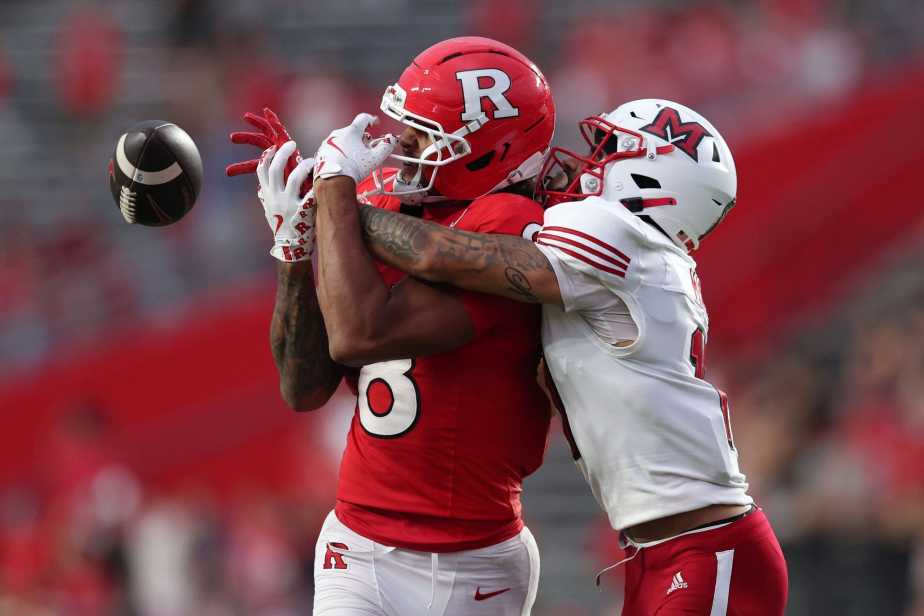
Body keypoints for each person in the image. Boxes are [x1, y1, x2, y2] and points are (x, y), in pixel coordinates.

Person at [315, 99, 789, 615]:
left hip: (704, 549)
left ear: (656, 180)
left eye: (609, 151)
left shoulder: (619, 235)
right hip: (669, 549)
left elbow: (441, 255)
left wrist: (335, 199)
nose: (587, 164)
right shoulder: (649, 261)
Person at [228, 37, 556, 616]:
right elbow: (304, 388)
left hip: (475, 558)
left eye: (423, 132)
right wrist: (294, 248)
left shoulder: (511, 222)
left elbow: (362, 333)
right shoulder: (383, 205)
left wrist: (333, 193)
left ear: (489, 150)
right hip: (358, 545)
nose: (402, 143)